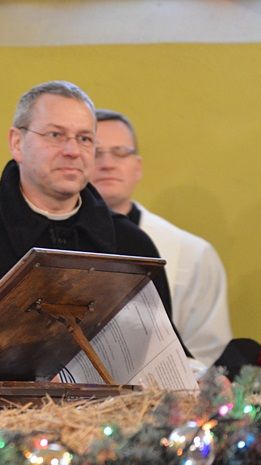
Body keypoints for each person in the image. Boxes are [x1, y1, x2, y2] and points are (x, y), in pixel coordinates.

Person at [0, 81, 174, 427]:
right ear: (17, 142)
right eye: (56, 135)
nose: (73, 150)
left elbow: (159, 358)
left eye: (85, 138)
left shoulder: (131, 247)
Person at [89, 109, 233, 367]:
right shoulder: (49, 242)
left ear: (137, 167)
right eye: (95, 152)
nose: (107, 163)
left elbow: (208, 352)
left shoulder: (193, 253)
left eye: (120, 152)